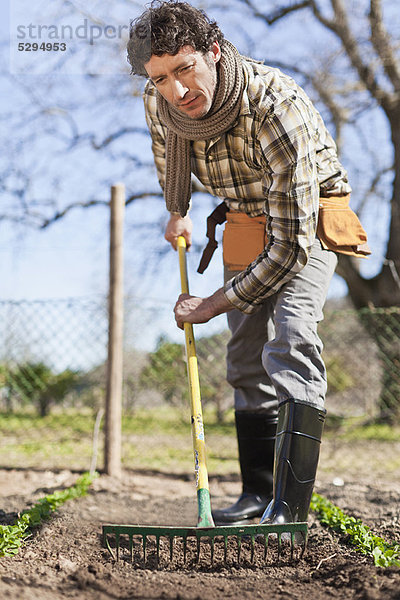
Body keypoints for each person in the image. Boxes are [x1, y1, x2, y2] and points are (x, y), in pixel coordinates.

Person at [127, 1, 370, 528]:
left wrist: (213, 303)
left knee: (290, 336)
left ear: (213, 51)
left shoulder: (275, 106)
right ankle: (257, 495)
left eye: (185, 69)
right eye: (161, 77)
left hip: (305, 220)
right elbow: (171, 158)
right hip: (243, 218)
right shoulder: (160, 102)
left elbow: (288, 247)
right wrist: (178, 211)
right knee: (243, 356)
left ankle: (288, 512)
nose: (175, 90)